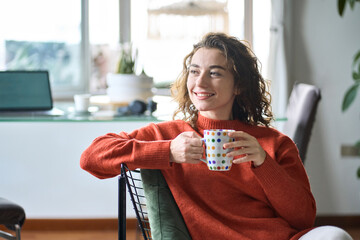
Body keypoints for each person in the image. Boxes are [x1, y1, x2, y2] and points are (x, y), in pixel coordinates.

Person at [80, 32, 352, 240]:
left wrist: (263, 163)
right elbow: (91, 157)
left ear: (239, 86)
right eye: (194, 71)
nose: (200, 83)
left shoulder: (274, 143)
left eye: (215, 73)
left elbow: (304, 218)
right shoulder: (171, 137)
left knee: (336, 236)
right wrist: (168, 152)